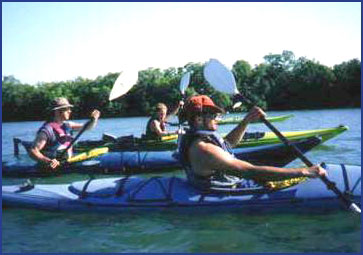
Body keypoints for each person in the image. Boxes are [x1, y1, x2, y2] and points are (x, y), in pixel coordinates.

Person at [178, 95, 327, 191]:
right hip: (226, 189)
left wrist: (247, 120)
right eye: (213, 115)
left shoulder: (199, 140)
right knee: (298, 174)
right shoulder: (204, 149)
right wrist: (305, 171)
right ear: (198, 119)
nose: (217, 119)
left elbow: (228, 144)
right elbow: (250, 172)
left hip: (221, 181)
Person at [29, 97, 100, 170]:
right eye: (67, 109)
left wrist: (94, 119)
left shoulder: (68, 125)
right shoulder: (46, 131)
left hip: (67, 163)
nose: (70, 111)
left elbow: (87, 127)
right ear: (58, 111)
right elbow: (33, 151)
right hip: (53, 167)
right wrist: (48, 161)